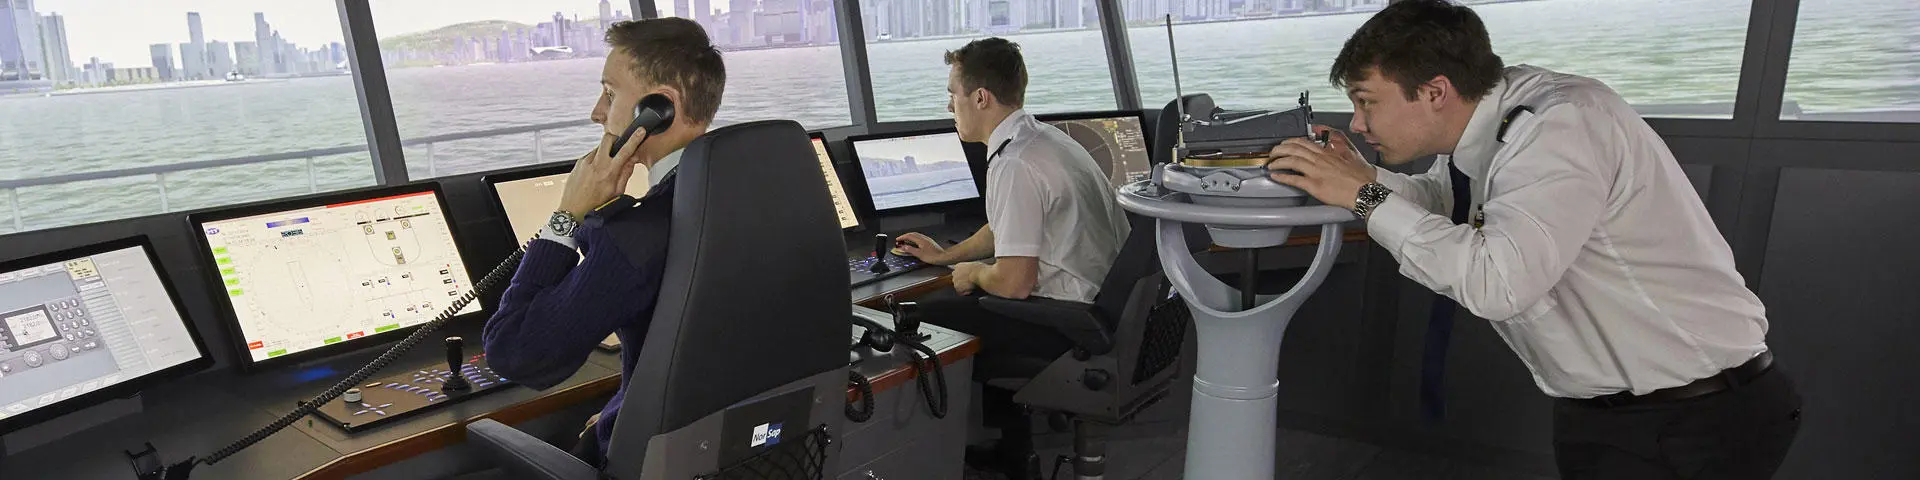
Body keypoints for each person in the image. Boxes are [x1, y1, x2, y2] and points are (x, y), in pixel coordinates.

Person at [1262, 1, 1801, 478]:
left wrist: (1362, 198)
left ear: (1433, 92)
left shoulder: (1559, 126)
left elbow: (1499, 281)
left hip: (1693, 418)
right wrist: (1362, 177)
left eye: (1367, 102)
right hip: (1611, 413)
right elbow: (1447, 202)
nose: (1357, 122)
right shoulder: (1486, 120)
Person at [481, 17, 724, 469]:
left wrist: (566, 218)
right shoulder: (754, 193)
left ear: (660, 109)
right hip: (747, 452)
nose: (597, 112)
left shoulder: (643, 233)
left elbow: (516, 352)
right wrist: (621, 411)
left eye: (610, 94)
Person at [893, 37, 1132, 478]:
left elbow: (1013, 283)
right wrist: (946, 257)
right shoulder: (1046, 141)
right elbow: (1005, 229)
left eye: (953, 94)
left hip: (1070, 323)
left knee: (918, 320)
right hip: (1101, 312)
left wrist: (974, 275)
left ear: (980, 97)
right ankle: (1014, 452)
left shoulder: (1015, 162)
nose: (950, 106)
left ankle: (922, 463)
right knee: (972, 307)